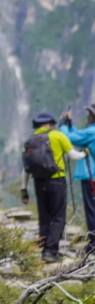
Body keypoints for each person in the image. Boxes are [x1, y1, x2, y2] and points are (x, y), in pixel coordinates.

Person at [23, 112, 85, 262]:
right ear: (51, 124)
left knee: (45, 217)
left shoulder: (30, 141)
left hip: (38, 182)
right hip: (56, 181)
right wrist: (86, 153)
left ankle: (44, 250)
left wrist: (23, 189)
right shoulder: (57, 136)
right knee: (58, 217)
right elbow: (73, 156)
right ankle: (51, 252)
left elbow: (26, 168)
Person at [60, 105, 95, 256]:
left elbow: (70, 138)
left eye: (91, 114)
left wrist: (63, 126)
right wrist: (71, 125)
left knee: (92, 210)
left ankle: (93, 243)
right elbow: (80, 138)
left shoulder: (92, 131)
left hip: (91, 176)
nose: (88, 116)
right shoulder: (91, 132)